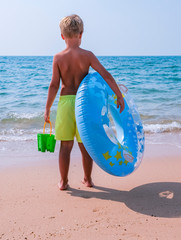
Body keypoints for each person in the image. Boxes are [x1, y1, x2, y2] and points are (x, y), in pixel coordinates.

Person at [44, 14, 125, 190]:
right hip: (85, 105)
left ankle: (63, 182)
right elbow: (106, 75)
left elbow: (53, 85)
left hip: (66, 103)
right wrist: (118, 95)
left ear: (62, 36)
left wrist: (47, 109)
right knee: (85, 145)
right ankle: (87, 179)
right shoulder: (87, 55)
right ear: (81, 34)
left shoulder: (58, 57)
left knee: (65, 146)